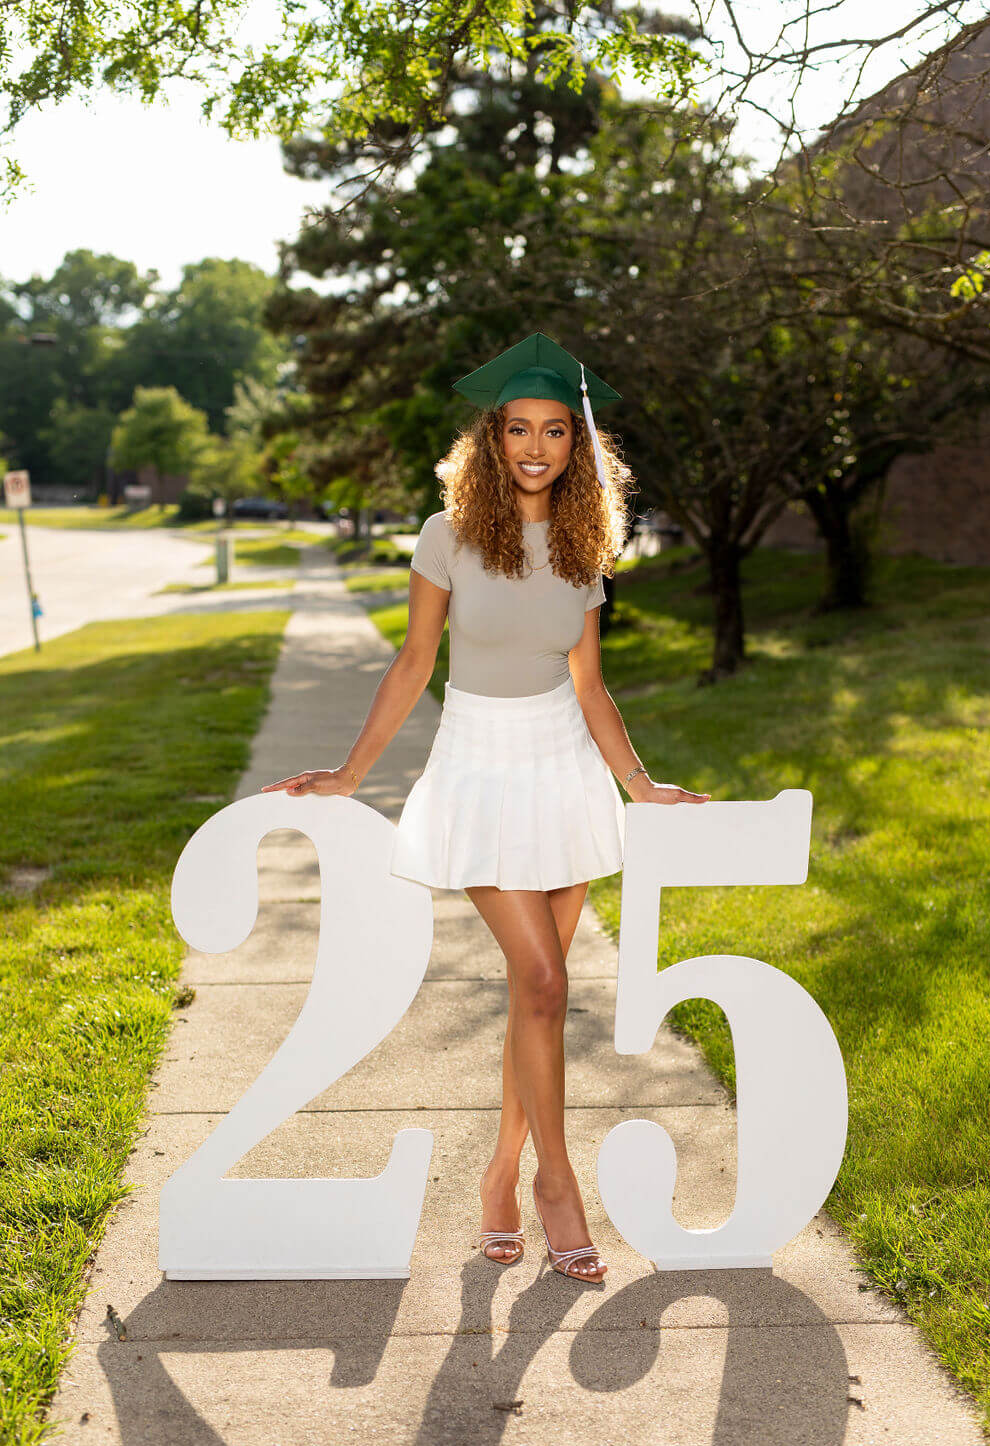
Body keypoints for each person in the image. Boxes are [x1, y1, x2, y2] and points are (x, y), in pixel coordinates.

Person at [261, 332, 710, 1284]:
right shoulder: (446, 535)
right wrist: (349, 774)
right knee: (544, 980)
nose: (537, 446)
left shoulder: (588, 544)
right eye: (518, 429)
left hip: (564, 774)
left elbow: (590, 687)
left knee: (536, 997)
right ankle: (557, 1182)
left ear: (576, 445)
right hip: (476, 767)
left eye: (555, 429)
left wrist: (640, 784)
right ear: (491, 437)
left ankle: (499, 1176)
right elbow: (414, 662)